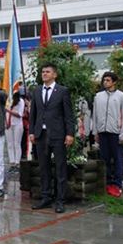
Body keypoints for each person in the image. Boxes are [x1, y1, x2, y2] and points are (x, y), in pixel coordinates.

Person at [30, 62, 75, 213]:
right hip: (41, 135)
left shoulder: (62, 91)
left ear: (54, 74)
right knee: (44, 167)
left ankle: (60, 200)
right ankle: (46, 197)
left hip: (58, 134)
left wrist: (70, 133)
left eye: (48, 72)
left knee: (60, 167)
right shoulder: (36, 91)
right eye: (43, 71)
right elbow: (33, 114)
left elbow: (68, 115)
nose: (44, 74)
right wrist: (31, 132)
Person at [92, 72, 123, 197]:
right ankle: (107, 182)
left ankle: (117, 184)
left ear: (114, 82)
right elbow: (95, 115)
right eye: (104, 80)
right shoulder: (98, 96)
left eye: (108, 80)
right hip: (102, 132)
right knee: (105, 159)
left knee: (118, 159)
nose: (105, 82)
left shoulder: (121, 96)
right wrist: (95, 131)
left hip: (116, 133)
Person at [6, 90, 26, 169]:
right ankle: (12, 161)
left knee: (16, 143)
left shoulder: (21, 101)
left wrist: (8, 111)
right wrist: (6, 122)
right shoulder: (9, 101)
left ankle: (17, 161)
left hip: (17, 124)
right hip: (9, 124)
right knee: (10, 143)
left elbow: (19, 115)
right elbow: (6, 114)